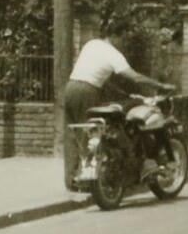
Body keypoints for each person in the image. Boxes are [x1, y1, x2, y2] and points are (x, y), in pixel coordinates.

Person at [63, 34, 169, 184]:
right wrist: (160, 85)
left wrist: (123, 94)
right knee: (89, 135)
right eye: (122, 37)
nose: (123, 42)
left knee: (73, 135)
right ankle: (89, 179)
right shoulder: (113, 53)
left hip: (70, 88)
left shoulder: (91, 44)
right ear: (115, 36)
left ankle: (71, 179)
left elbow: (101, 80)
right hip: (87, 91)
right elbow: (135, 77)